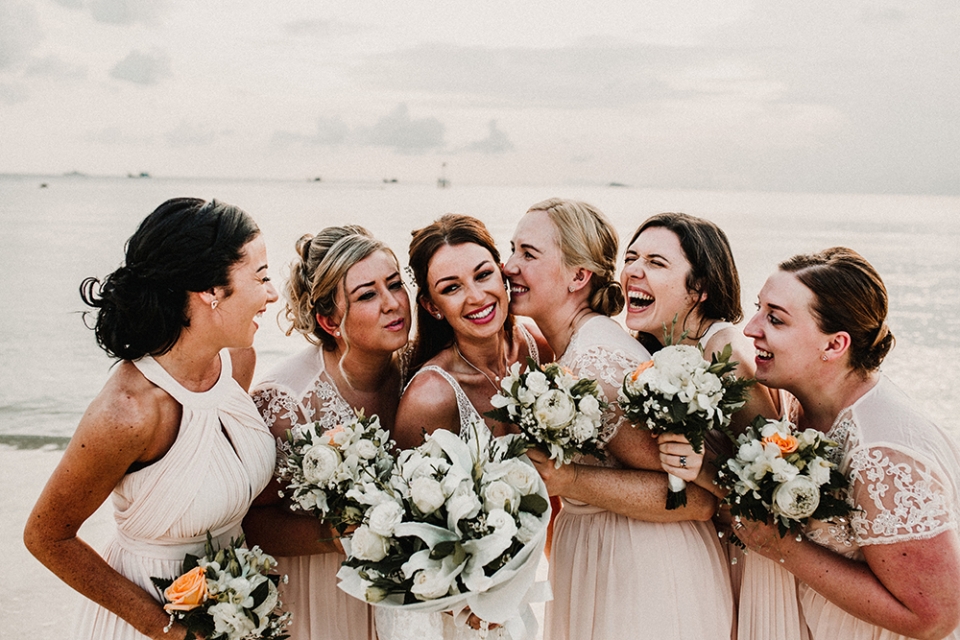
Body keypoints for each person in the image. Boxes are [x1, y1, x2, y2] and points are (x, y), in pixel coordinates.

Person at [23, 198, 279, 640]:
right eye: (261, 277)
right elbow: (47, 537)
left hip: (237, 611)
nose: (272, 294)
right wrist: (169, 631)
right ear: (211, 291)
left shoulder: (238, 360)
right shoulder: (129, 411)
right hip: (150, 619)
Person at [502, 198, 735, 640]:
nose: (508, 265)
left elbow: (694, 499)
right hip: (605, 555)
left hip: (645, 572)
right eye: (511, 249)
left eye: (528, 254)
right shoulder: (573, 347)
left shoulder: (598, 361)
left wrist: (568, 480)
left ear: (578, 276)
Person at [736, 247, 960, 640]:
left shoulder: (882, 454)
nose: (751, 328)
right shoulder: (795, 405)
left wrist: (781, 547)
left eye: (775, 318)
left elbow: (935, 617)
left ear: (835, 346)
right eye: (758, 309)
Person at [379, 214, 551, 640]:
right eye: (452, 288)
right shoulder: (432, 396)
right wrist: (465, 606)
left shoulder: (535, 345)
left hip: (522, 587)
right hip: (457, 615)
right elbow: (406, 529)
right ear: (433, 307)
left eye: (483, 274)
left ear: (504, 272)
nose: (476, 297)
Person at [241, 226, 411, 640]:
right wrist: (343, 536)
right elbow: (251, 523)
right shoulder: (285, 403)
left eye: (395, 284)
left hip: (405, 588)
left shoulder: (418, 371)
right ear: (329, 320)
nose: (393, 304)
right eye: (368, 295)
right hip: (320, 594)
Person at [620, 212, 782, 632]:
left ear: (701, 289)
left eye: (656, 263)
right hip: (692, 551)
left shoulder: (725, 354)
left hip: (745, 561)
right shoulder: (651, 351)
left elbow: (772, 487)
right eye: (631, 257)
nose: (633, 271)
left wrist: (704, 472)